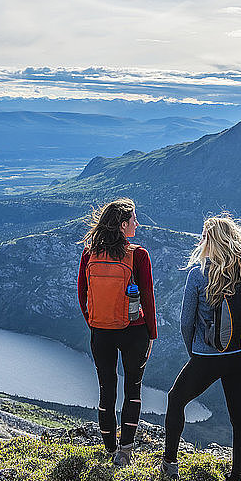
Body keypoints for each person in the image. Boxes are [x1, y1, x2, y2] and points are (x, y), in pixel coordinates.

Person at [162, 213, 241, 481]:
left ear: (209, 241)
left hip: (207, 356)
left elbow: (185, 321)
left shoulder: (199, 274)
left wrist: (193, 352)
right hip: (239, 357)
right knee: (240, 420)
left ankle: (169, 463)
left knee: (175, 399)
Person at [77, 198, 157, 466]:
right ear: (123, 225)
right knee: (133, 389)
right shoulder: (138, 254)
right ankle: (125, 451)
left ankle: (110, 447)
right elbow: (147, 296)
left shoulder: (89, 254)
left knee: (106, 389)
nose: (137, 222)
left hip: (101, 332)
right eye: (134, 219)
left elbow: (82, 294)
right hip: (134, 332)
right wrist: (152, 333)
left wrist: (95, 322)